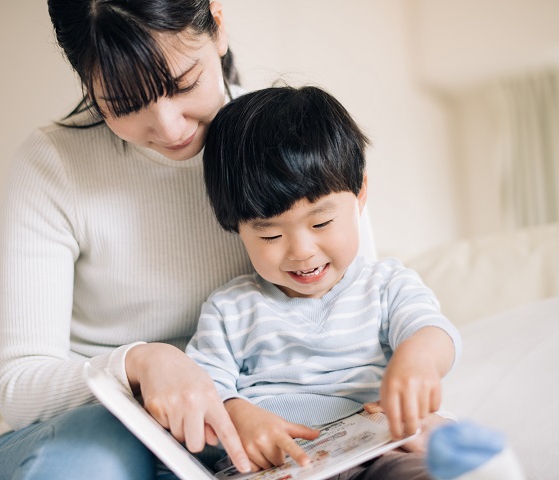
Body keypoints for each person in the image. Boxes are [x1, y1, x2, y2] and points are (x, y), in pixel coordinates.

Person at [0, 1, 375, 478]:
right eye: (125, 104)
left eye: (183, 84)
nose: (169, 128)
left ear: (217, 26)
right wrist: (137, 365)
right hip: (81, 439)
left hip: (232, 439)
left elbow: (359, 313)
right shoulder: (54, 164)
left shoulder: (297, 142)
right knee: (95, 457)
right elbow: (18, 387)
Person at [185, 85, 462, 478]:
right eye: (270, 236)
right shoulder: (231, 308)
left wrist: (417, 359)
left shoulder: (385, 283)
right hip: (278, 465)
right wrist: (238, 414)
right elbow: (201, 388)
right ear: (236, 227)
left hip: (379, 450)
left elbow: (432, 330)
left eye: (321, 223)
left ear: (360, 193)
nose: (301, 251)